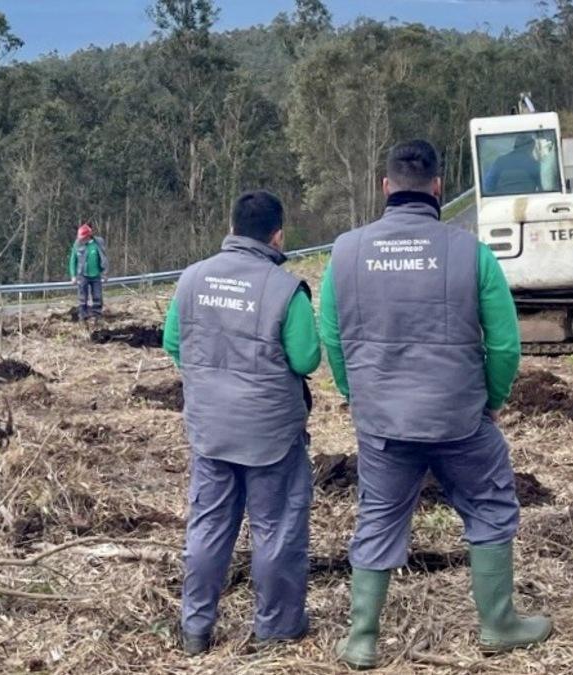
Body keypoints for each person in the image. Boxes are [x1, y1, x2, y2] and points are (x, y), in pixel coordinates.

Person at [321, 140, 550, 669]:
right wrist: (490, 400)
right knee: (489, 510)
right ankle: (498, 624)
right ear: (439, 187)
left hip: (383, 423)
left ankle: (362, 639)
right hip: (460, 418)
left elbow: (331, 337)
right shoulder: (471, 251)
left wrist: (357, 394)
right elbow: (505, 344)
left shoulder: (346, 251)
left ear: (385, 186)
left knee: (378, 519)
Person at [163, 190, 320, 656]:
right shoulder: (284, 288)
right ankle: (277, 627)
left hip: (211, 429)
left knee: (208, 528)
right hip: (271, 433)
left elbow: (174, 343)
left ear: (230, 229)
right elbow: (307, 357)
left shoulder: (192, 279)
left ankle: (196, 629)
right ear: (277, 235)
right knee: (277, 528)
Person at [69, 223, 108, 322]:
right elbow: (73, 260)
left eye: (83, 238)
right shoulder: (77, 244)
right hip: (83, 276)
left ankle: (97, 317)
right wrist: (73, 275)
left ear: (88, 236)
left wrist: (104, 273)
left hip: (96, 276)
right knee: (82, 297)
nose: (81, 240)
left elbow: (104, 258)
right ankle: (83, 317)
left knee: (97, 296)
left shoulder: (98, 243)